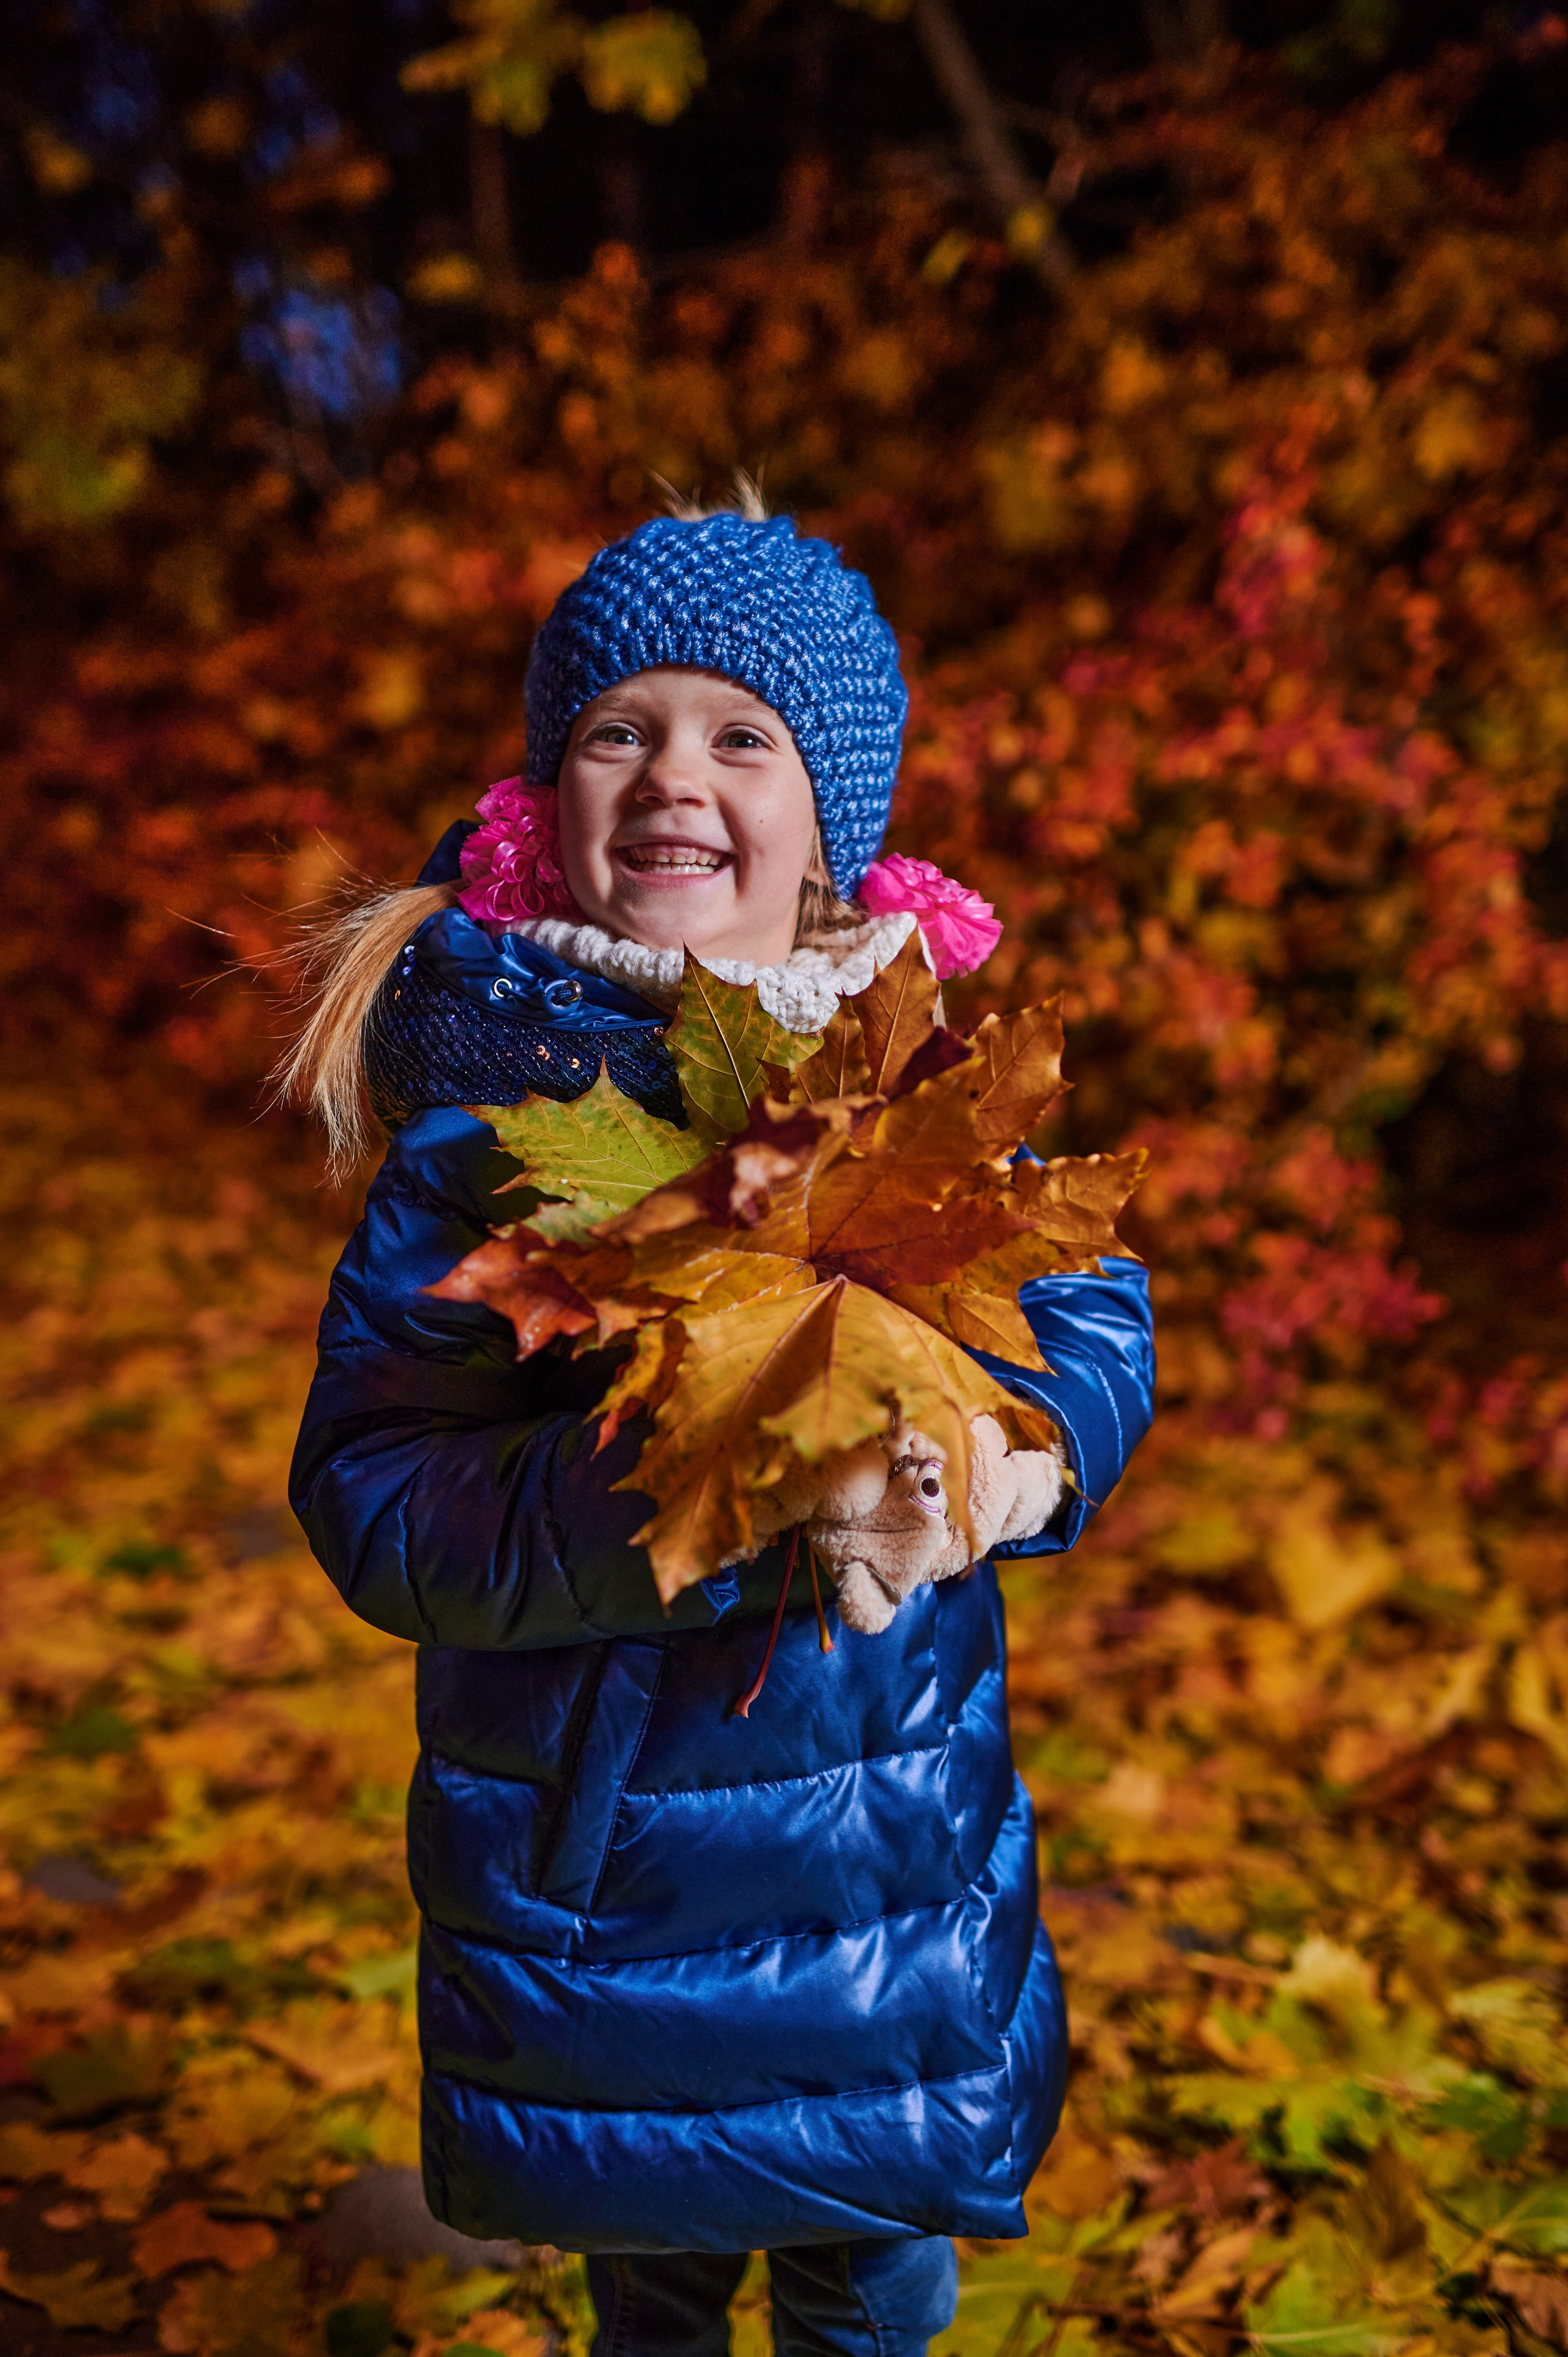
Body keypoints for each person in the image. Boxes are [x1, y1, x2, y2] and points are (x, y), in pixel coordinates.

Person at [286, 496, 1155, 2357]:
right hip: (613, 1892)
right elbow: (374, 1489)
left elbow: (1085, 1299)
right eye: (621, 728)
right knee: (658, 2300)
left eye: (741, 735)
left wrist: (1009, 1465)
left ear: (830, 824)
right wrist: (690, 1480)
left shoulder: (906, 1077)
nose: (677, 770)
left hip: (884, 1872)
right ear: (550, 794)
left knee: (874, 2288)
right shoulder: (490, 1137)